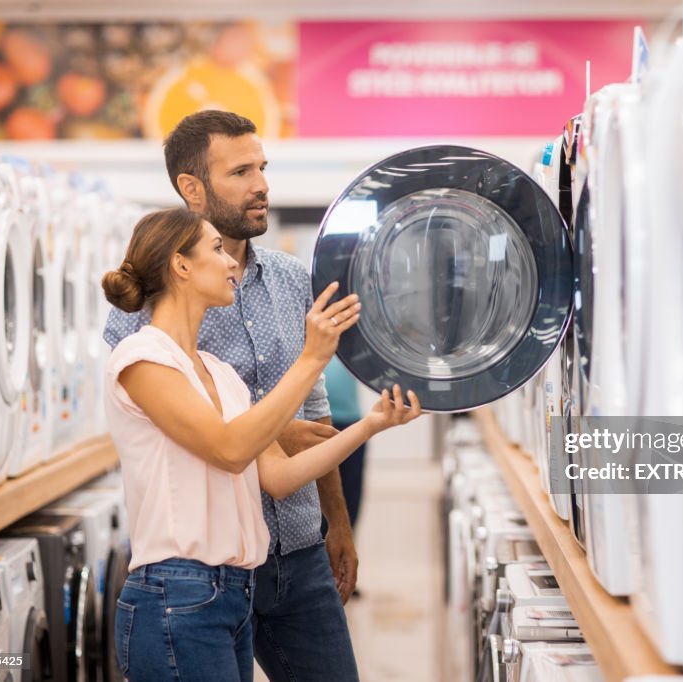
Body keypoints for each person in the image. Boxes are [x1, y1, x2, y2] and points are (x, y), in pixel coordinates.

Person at [102, 208, 421, 682]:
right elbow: (230, 449)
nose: (231, 263)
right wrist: (312, 358)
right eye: (215, 249)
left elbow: (277, 476)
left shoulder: (221, 373)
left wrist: (370, 426)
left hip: (232, 595)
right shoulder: (141, 359)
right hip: (174, 596)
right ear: (181, 265)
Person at [103, 111, 363, 679]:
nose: (262, 184)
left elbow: (313, 414)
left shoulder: (293, 279)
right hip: (195, 567)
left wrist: (336, 524)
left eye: (263, 168)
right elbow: (189, 431)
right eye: (242, 171)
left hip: (296, 545)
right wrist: (273, 427)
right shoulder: (146, 317)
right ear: (191, 188)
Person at [322, 358, 367, 533]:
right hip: (312, 423)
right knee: (318, 496)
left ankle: (346, 537)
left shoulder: (351, 340)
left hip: (349, 421)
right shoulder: (299, 336)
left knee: (349, 499)